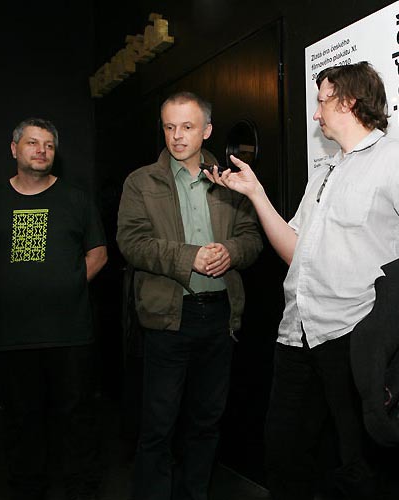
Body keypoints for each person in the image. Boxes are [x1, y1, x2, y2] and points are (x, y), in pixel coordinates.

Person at [207, 61, 399, 500]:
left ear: (350, 101)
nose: (316, 113)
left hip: (356, 337)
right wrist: (256, 194)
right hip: (298, 335)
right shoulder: (324, 172)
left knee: (363, 470)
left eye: (322, 101)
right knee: (286, 461)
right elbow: (294, 251)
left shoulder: (398, 161)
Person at [116, 91, 262, 500]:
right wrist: (188, 258)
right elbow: (131, 243)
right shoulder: (141, 182)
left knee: (205, 423)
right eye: (169, 127)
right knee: (157, 426)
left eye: (187, 126)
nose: (177, 136)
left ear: (207, 130)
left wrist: (230, 252)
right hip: (167, 318)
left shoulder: (229, 179)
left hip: (220, 318)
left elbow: (252, 237)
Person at [0, 118, 108, 500]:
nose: (41, 150)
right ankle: (27, 489)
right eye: (32, 143)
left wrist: (68, 287)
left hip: (70, 332)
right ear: (14, 149)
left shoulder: (76, 199)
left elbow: (98, 253)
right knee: (22, 418)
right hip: (15, 333)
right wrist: (15, 289)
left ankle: (82, 489)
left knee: (77, 416)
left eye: (48, 145)